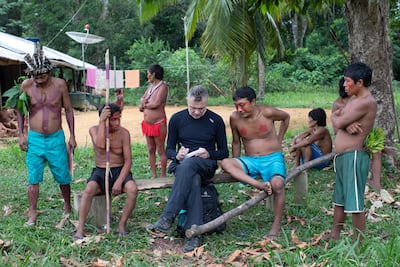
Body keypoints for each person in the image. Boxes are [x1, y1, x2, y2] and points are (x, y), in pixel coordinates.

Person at [149, 85, 228, 252]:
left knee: (189, 165)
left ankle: (168, 216)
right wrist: (177, 156)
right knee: (192, 178)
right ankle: (194, 233)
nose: (197, 112)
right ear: (187, 102)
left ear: (206, 103)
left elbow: (223, 151)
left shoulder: (216, 120)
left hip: (205, 164)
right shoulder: (177, 119)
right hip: (183, 164)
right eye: (193, 108)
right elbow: (168, 149)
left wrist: (209, 153)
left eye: (201, 108)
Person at [16, 43, 76, 227]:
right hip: (34, 139)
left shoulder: (60, 85)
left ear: (49, 72)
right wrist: (21, 134)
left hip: (56, 137)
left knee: (63, 175)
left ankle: (67, 206)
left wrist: (72, 135)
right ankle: (32, 213)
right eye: (35, 77)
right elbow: (20, 110)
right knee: (33, 177)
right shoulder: (26, 86)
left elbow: (68, 110)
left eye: (42, 77)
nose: (39, 80)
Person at [220, 86, 290, 240]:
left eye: (242, 104)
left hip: (272, 158)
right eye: (236, 105)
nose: (239, 109)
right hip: (251, 161)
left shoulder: (267, 112)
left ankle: (275, 227)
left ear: (253, 101)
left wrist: (279, 140)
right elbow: (236, 142)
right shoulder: (235, 118)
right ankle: (258, 185)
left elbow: (286, 117)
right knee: (225, 163)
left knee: (278, 184)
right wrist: (236, 162)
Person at [328, 62, 377, 241]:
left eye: (348, 81)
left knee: (355, 202)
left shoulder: (365, 102)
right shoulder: (354, 99)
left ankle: (359, 242)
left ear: (360, 82)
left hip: (354, 156)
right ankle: (335, 235)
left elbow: (337, 122)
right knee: (339, 199)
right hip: (343, 156)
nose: (344, 85)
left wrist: (337, 117)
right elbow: (340, 122)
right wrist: (343, 121)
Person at [75, 104, 138, 238]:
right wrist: (102, 121)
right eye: (113, 119)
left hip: (119, 170)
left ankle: (122, 224)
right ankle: (80, 228)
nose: (117, 123)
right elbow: (101, 145)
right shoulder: (94, 130)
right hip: (101, 170)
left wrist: (119, 181)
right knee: (89, 190)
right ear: (104, 119)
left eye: (119, 119)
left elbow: (128, 161)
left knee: (132, 189)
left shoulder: (124, 133)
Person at [332, 78, 383, 192]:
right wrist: (347, 125)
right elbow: (337, 126)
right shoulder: (338, 104)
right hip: (350, 139)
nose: (346, 87)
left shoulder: (357, 99)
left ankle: (376, 184)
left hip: (365, 134)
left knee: (377, 152)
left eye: (348, 83)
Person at [139, 64, 168, 178]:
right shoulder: (150, 87)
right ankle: (153, 175)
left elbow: (156, 103)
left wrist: (144, 104)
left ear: (154, 74)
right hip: (147, 124)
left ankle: (163, 175)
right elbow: (143, 99)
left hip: (158, 123)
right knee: (151, 149)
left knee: (160, 149)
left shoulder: (163, 87)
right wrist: (144, 103)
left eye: (148, 73)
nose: (147, 75)